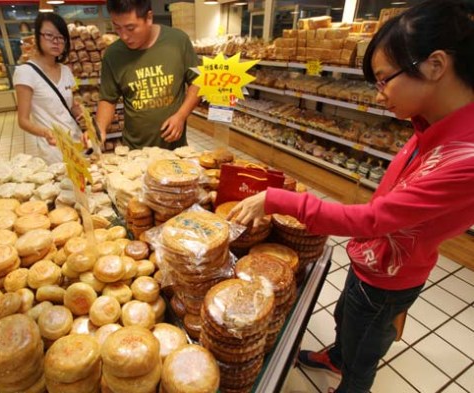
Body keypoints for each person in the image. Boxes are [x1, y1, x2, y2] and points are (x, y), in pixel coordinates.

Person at [228, 1, 474, 392]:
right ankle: (337, 355)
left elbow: (373, 218)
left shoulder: (465, 160)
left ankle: (350, 381)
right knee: (347, 316)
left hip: (390, 278)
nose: (378, 95)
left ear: (435, 65)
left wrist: (277, 199)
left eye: (383, 79)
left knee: (364, 352)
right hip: (371, 260)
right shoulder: (433, 123)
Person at [96, 0, 200, 150]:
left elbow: (197, 81)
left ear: (149, 17)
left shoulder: (178, 41)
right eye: (117, 28)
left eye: (130, 28)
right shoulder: (113, 55)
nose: (124, 36)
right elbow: (107, 99)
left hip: (174, 148)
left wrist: (181, 116)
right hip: (135, 149)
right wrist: (100, 128)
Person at [13, 13, 82, 164]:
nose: (56, 42)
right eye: (50, 35)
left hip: (76, 141)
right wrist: (46, 133)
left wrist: (83, 116)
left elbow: (71, 107)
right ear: (37, 37)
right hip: (54, 147)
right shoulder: (25, 72)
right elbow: (23, 121)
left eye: (61, 37)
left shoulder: (66, 70)